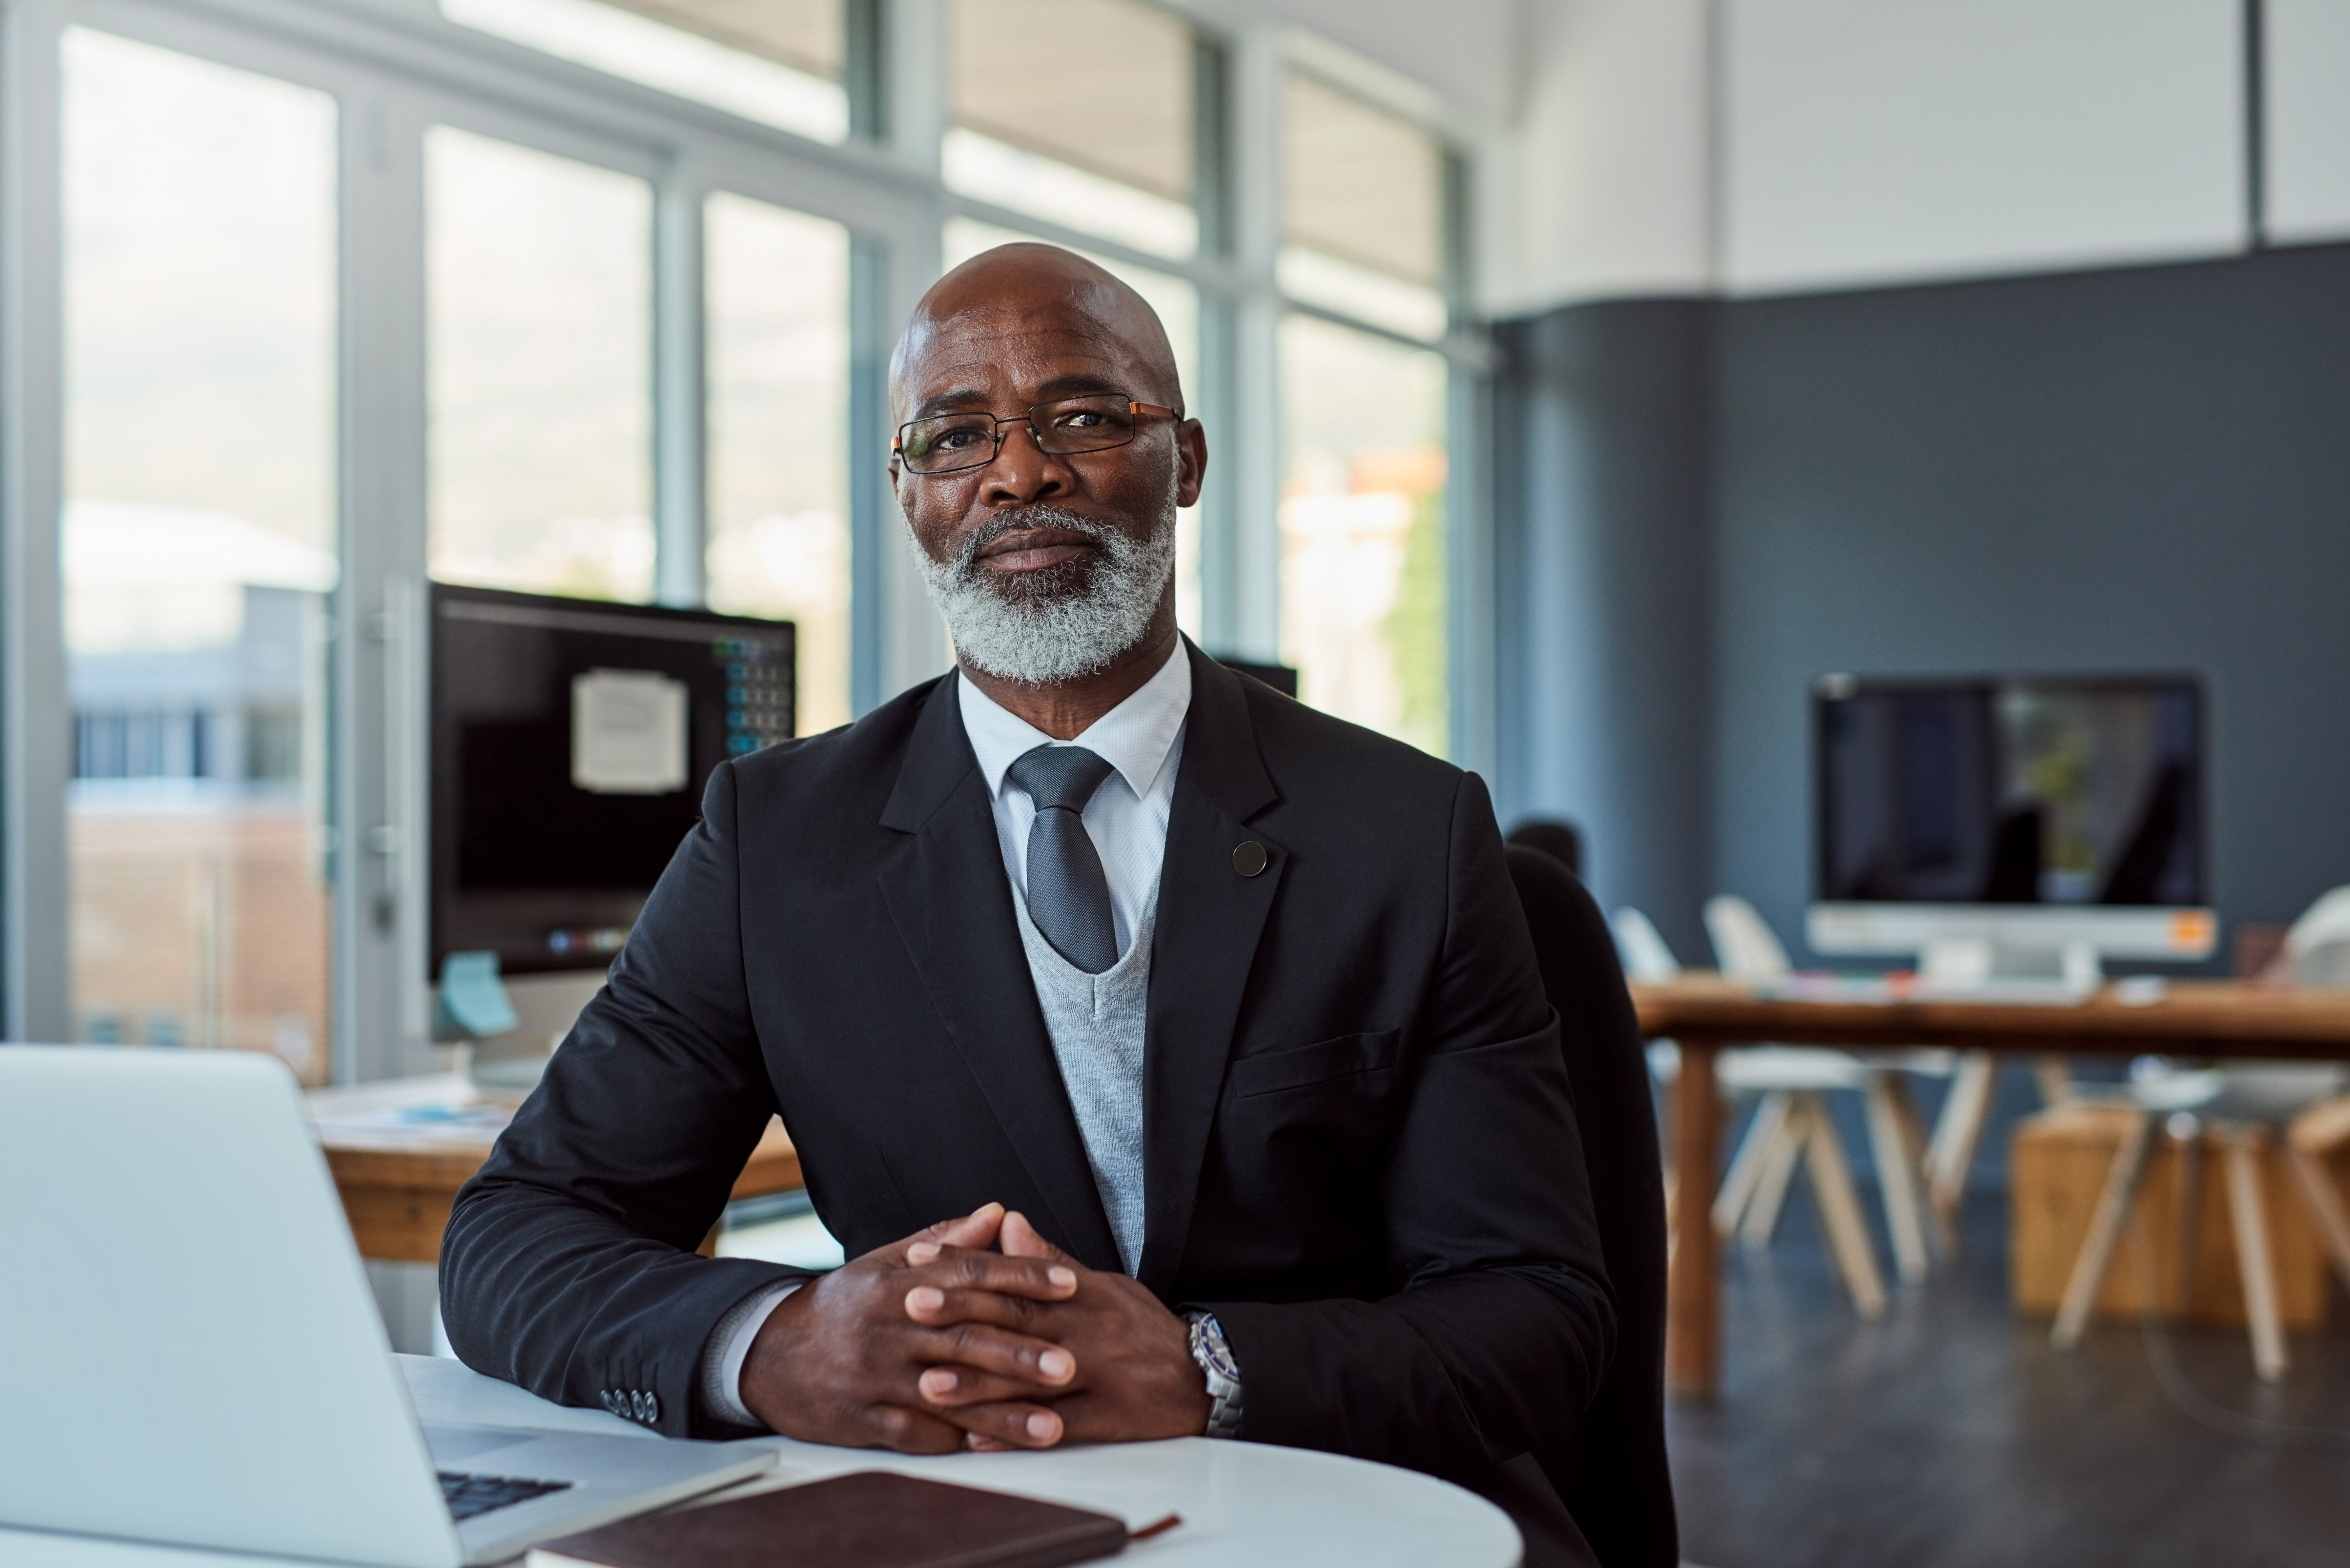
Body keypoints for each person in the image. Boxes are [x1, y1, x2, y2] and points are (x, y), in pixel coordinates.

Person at [442, 242, 1616, 1564]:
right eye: (956, 435)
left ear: (1189, 460)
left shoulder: (1405, 830)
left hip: (1341, 1502)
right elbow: (515, 1238)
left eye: (1082, 414)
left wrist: (1205, 1365)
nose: (1017, 472)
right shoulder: (776, 841)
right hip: (958, 1520)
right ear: (907, 492)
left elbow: (1536, 1314)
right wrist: (772, 1342)